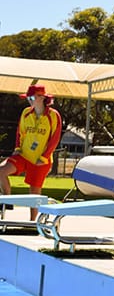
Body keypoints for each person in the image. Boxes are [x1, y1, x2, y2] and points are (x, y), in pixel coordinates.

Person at [0, 84, 63, 220]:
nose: (30, 100)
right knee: (1, 170)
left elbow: (55, 138)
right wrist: (17, 149)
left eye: (33, 97)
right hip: (23, 155)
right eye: (28, 97)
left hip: (40, 160)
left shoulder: (53, 115)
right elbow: (19, 133)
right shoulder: (26, 112)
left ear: (42, 97)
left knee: (34, 192)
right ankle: (6, 200)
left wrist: (44, 157)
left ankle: (33, 222)